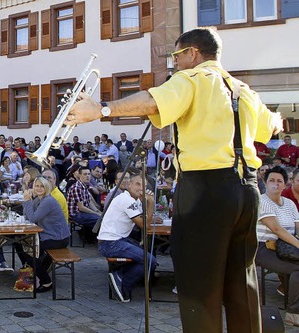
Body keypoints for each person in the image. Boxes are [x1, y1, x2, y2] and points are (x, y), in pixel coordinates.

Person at [66, 27, 282, 331]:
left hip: (205, 189)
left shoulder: (192, 79)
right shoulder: (242, 89)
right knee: (242, 281)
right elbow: (270, 127)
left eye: (176, 56)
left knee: (198, 284)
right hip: (246, 190)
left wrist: (102, 109)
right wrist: (276, 122)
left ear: (192, 53)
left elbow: (153, 103)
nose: (175, 63)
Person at [97, 173, 158, 302]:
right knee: (150, 260)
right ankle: (123, 283)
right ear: (128, 185)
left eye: (144, 186)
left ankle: (121, 276)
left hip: (116, 240)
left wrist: (149, 210)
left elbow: (144, 218)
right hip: (110, 243)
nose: (141, 188)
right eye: (138, 184)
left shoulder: (132, 199)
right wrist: (151, 202)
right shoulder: (126, 200)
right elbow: (144, 225)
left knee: (146, 254)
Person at [255, 166, 299, 326]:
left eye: (279, 181)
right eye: (271, 180)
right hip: (265, 249)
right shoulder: (261, 201)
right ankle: (293, 313)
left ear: (285, 184)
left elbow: (297, 228)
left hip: (287, 248)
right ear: (265, 183)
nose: (276, 184)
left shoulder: (289, 204)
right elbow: (277, 229)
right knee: (297, 269)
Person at [16, 176, 70, 292]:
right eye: (37, 186)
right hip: (49, 236)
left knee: (28, 252)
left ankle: (46, 282)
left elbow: (32, 218)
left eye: (42, 186)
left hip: (57, 238)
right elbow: (27, 215)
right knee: (19, 244)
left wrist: (27, 201)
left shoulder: (48, 201)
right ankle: (37, 275)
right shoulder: (39, 199)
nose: (39, 188)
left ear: (47, 188)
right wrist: (29, 201)